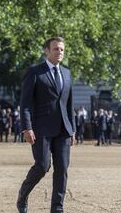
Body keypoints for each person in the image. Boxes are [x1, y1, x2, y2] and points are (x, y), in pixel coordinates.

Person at [17, 37, 76, 213]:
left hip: (63, 129)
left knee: (62, 169)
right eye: (56, 49)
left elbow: (69, 104)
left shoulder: (67, 73)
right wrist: (27, 127)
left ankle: (57, 208)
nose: (60, 52)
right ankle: (23, 194)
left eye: (62, 50)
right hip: (41, 129)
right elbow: (25, 103)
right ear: (47, 51)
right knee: (42, 166)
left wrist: (72, 129)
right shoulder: (35, 72)